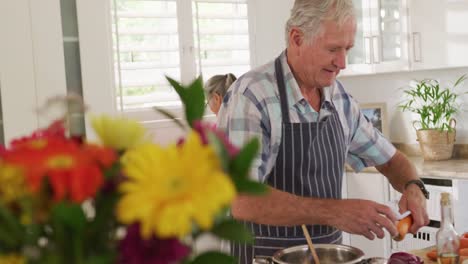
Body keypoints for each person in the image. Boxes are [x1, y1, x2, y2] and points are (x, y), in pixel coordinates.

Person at [216, 0, 429, 262]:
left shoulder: (339, 99)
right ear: (297, 38)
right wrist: (334, 212)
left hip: (328, 256)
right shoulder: (251, 97)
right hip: (263, 257)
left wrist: (413, 187)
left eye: (348, 49)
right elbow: (242, 199)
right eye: (333, 49)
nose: (343, 63)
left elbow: (391, 160)